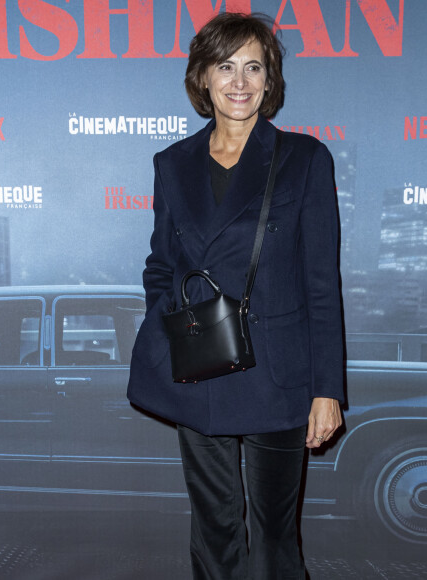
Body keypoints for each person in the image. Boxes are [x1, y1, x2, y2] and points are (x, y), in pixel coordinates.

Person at [127, 12, 345, 580]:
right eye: (226, 66)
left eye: (254, 67)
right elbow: (160, 262)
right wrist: (171, 321)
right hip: (200, 368)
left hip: (279, 374)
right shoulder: (172, 164)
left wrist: (327, 390)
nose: (240, 82)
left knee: (275, 536)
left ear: (270, 81)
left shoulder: (304, 159)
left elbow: (322, 285)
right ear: (203, 77)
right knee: (214, 530)